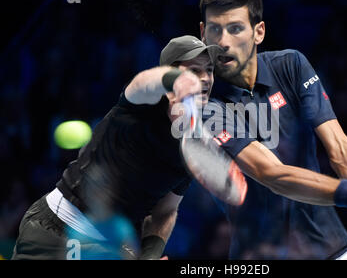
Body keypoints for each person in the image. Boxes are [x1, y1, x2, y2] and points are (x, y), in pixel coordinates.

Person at [198, 0, 347, 259]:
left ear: (258, 32)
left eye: (235, 29)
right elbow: (272, 175)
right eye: (214, 30)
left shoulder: (291, 65)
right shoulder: (205, 105)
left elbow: (339, 148)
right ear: (203, 32)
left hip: (333, 249)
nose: (223, 41)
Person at [12, 35, 219, 260]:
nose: (205, 78)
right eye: (194, 70)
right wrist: (175, 81)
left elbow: (165, 211)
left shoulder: (191, 146)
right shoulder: (140, 104)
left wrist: (150, 255)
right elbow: (144, 81)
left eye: (209, 70)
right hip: (57, 230)